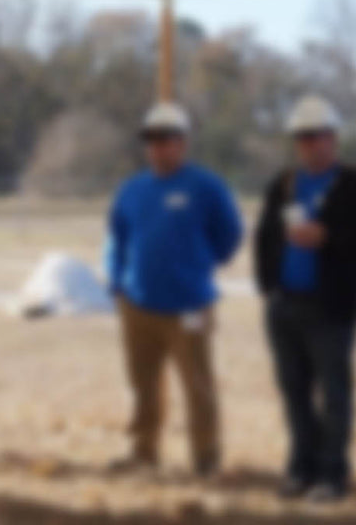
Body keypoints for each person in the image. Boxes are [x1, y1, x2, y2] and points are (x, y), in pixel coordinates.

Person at [254, 94, 356, 503]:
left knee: (334, 394)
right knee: (294, 392)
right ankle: (301, 468)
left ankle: (333, 475)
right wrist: (269, 288)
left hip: (332, 308)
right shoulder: (283, 184)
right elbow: (264, 238)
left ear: (334, 138)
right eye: (303, 136)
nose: (312, 143)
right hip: (285, 305)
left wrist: (328, 237)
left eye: (319, 135)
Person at [104, 102, 242, 478]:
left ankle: (205, 457)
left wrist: (197, 266)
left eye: (166, 138)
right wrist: (117, 282)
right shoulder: (132, 190)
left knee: (198, 386)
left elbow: (230, 236)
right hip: (139, 306)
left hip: (189, 307)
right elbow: (116, 240)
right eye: (151, 139)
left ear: (183, 142)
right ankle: (143, 451)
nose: (158, 146)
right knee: (143, 385)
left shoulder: (205, 186)